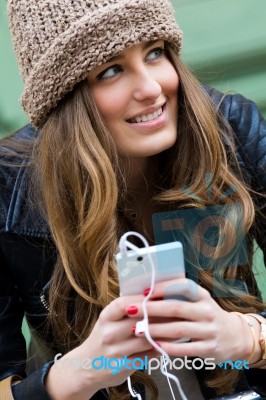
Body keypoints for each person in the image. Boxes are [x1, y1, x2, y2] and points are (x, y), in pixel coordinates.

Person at [0, 0, 266, 399]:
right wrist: (78, 373)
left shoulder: (230, 131)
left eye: (155, 52)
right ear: (65, 100)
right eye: (111, 70)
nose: (152, 88)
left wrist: (249, 340)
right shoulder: (9, 189)